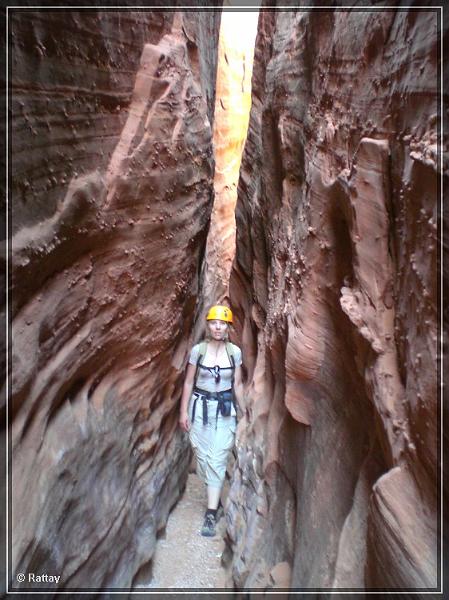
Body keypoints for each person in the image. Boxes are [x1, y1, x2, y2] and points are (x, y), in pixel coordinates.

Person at [179, 305, 243, 537]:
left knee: (217, 458)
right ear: (208, 325)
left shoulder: (234, 353)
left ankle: (210, 513)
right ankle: (214, 495)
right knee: (203, 455)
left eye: (222, 323)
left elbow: (237, 384)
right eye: (214, 322)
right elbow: (188, 382)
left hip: (224, 410)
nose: (218, 327)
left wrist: (244, 412)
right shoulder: (199, 351)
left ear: (228, 327)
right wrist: (183, 412)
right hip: (200, 408)